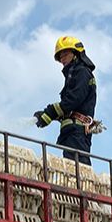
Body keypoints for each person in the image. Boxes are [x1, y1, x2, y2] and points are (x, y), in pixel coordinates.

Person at [33, 36, 97, 165]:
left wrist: (51, 112)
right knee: (71, 166)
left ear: (75, 54)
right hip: (71, 131)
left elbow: (73, 100)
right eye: (60, 57)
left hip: (77, 132)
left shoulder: (82, 72)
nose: (62, 59)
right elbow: (70, 109)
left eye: (65, 55)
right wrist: (47, 116)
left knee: (78, 169)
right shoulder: (74, 75)